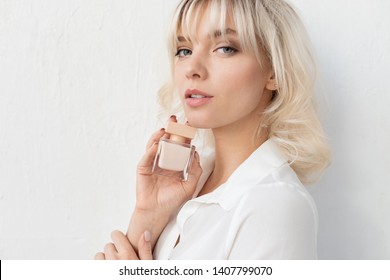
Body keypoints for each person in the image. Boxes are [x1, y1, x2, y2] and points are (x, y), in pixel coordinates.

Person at [95, 0, 330, 260]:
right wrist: (148, 216)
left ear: (274, 71)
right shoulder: (188, 185)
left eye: (225, 48)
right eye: (184, 50)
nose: (192, 69)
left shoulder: (275, 205)